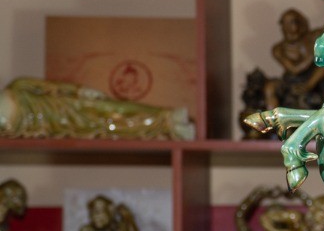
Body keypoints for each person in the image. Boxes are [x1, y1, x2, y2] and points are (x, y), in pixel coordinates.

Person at [0, 77, 195, 140]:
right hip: (67, 129)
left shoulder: (16, 86)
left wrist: (80, 90)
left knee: (113, 107)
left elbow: (54, 87)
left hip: (69, 105)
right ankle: (166, 126)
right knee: (113, 127)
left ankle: (167, 114)